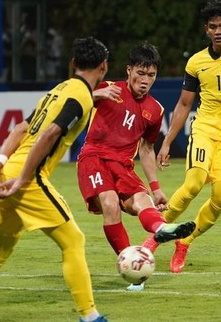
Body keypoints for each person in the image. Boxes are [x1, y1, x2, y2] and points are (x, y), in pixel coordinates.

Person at [0, 37, 110, 322]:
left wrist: (0, 161)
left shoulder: (57, 90)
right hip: (28, 178)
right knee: (73, 240)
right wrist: (23, 179)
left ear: (73, 64)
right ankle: (90, 316)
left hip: (10, 170)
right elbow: (49, 133)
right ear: (104, 66)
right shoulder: (80, 97)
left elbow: (20, 127)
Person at [143, 0, 221, 273]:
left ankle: (185, 240)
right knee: (193, 184)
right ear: (206, 30)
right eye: (213, 27)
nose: (218, 31)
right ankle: (154, 237)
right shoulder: (196, 62)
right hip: (204, 129)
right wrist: (166, 142)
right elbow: (184, 105)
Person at [76, 42, 196, 289]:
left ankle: (162, 229)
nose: (145, 80)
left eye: (151, 75)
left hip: (123, 165)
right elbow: (67, 101)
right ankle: (133, 267)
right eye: (140, 73)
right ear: (128, 70)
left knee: (143, 203)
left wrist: (156, 187)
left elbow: (147, 149)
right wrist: (93, 95)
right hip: (94, 158)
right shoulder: (108, 89)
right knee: (110, 203)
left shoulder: (155, 110)